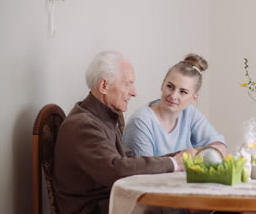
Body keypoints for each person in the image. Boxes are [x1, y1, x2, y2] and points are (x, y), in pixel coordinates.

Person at [53, 51, 196, 214]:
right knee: (186, 207)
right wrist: (174, 163)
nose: (134, 92)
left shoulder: (103, 117)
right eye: (128, 84)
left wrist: (179, 156)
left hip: (110, 202)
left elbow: (127, 159)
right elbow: (116, 169)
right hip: (94, 209)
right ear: (104, 86)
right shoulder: (82, 125)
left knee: (191, 204)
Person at [123, 54, 227, 158]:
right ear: (162, 85)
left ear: (194, 98)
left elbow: (220, 147)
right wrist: (191, 155)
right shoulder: (140, 122)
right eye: (170, 86)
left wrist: (192, 154)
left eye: (183, 92)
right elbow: (144, 169)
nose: (173, 96)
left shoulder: (189, 113)